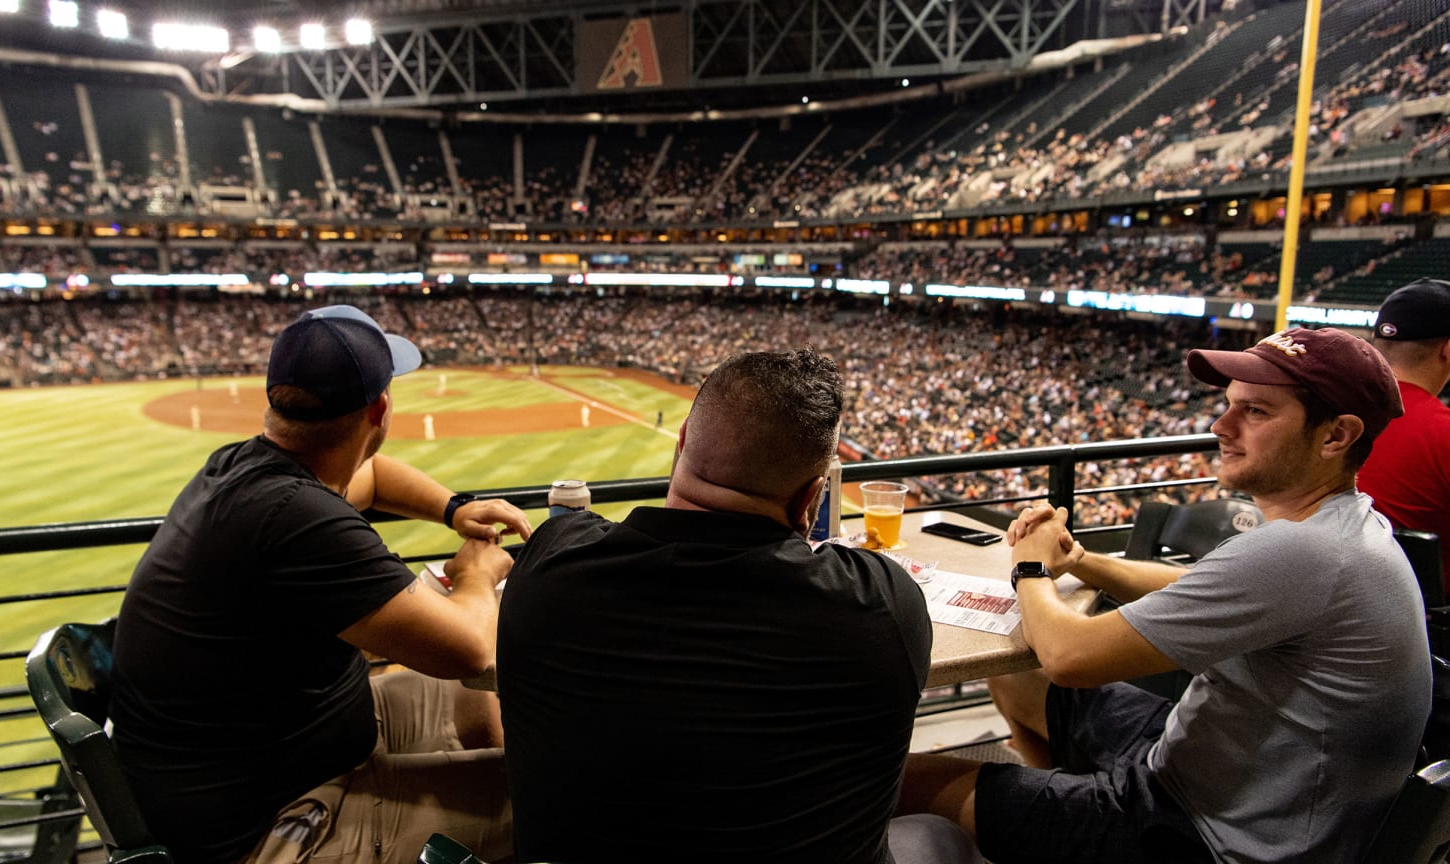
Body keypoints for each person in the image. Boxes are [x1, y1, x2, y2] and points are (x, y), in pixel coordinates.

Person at [900, 327, 1430, 863]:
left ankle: (1061, 821)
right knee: (1016, 674)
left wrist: (1031, 564)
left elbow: (1068, 657)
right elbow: (1191, 585)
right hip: (1195, 765)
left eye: (1255, 412)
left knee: (904, 779)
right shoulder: (1341, 528)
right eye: (1228, 407)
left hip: (1205, 836)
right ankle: (1047, 819)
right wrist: (1080, 560)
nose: (1219, 426)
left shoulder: (1305, 551)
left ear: (1336, 436)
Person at [496, 349, 980, 864]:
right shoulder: (883, 604)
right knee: (938, 835)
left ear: (680, 442)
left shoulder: (550, 563)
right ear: (810, 498)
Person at [111, 305, 532, 864]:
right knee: (553, 797)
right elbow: (469, 647)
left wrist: (454, 508)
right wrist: (476, 572)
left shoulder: (243, 467)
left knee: (487, 713)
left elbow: (375, 477)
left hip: (287, 750)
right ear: (379, 409)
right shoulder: (298, 519)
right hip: (271, 827)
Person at [1357, 277, 1450, 590]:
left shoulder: (1328, 411)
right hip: (1423, 623)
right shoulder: (1442, 431)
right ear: (1447, 350)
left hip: (1323, 606)